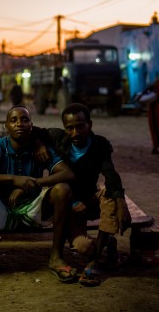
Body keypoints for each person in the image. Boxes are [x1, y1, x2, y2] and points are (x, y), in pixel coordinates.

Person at [0, 105, 77, 286]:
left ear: (32, 125)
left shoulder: (41, 149)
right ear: (6, 126)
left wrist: (33, 183)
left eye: (24, 119)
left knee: (63, 189)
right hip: (1, 212)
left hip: (33, 212)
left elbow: (67, 174)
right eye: (13, 120)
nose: (19, 124)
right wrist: (14, 180)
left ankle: (56, 258)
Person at [34, 103, 130, 287]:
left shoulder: (100, 144)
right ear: (64, 128)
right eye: (69, 128)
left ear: (90, 125)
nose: (75, 132)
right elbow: (32, 131)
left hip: (91, 200)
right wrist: (39, 145)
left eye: (80, 126)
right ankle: (107, 243)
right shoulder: (57, 138)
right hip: (68, 205)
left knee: (110, 194)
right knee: (81, 247)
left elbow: (110, 174)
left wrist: (121, 202)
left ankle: (94, 264)